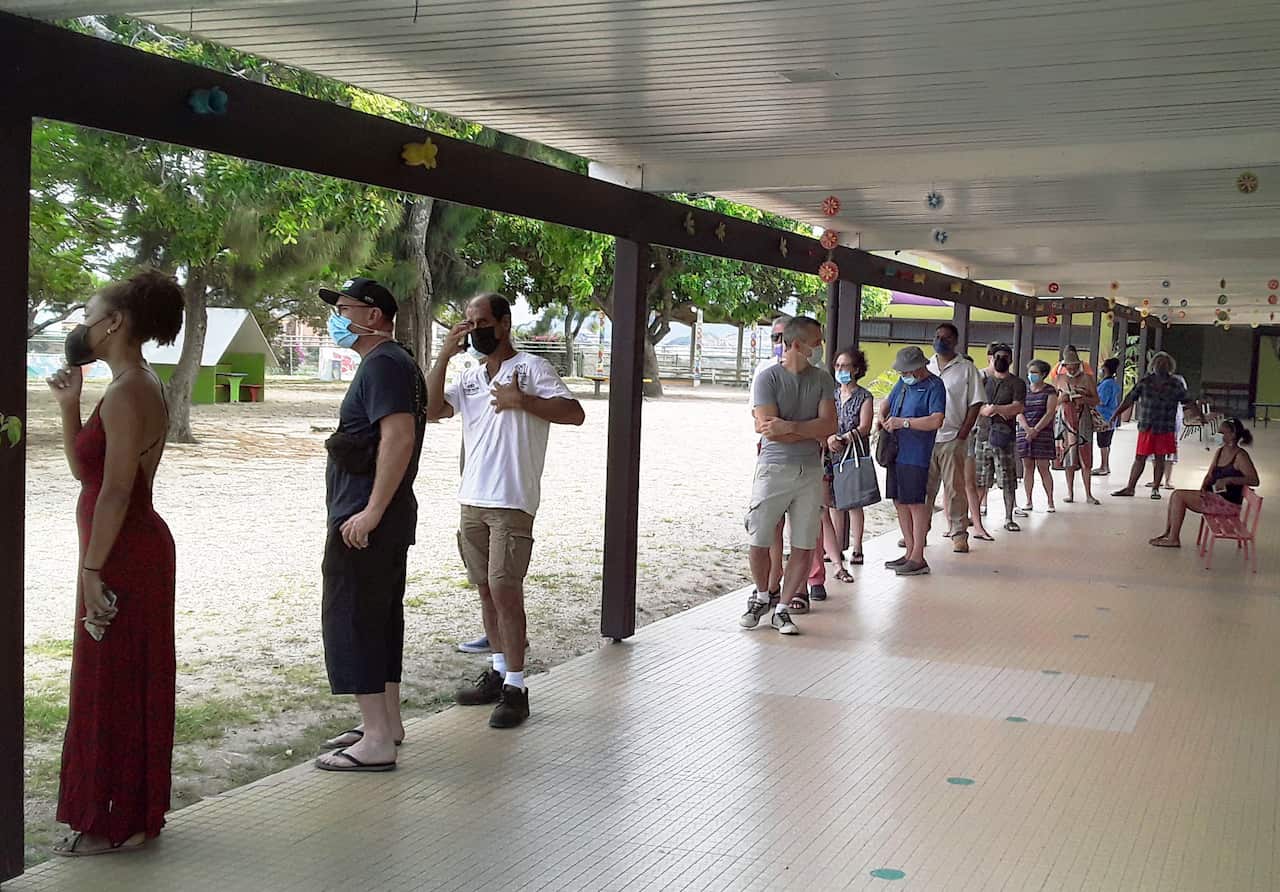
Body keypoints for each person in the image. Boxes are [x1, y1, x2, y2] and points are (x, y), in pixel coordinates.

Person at [45, 270, 183, 855]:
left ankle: (110, 820)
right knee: (114, 678)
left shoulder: (132, 389)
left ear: (115, 323)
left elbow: (118, 491)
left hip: (124, 553)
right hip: (116, 549)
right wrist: (70, 407)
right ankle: (122, 810)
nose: (83, 323)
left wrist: (92, 571)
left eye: (89, 311)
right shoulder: (125, 382)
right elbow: (90, 472)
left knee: (113, 684)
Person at [428, 294, 585, 728]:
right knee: (484, 589)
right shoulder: (470, 375)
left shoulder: (531, 369)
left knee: (505, 590)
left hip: (512, 500)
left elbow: (575, 413)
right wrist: (444, 354)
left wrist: (524, 402)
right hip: (472, 498)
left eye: (481, 321)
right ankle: (498, 672)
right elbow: (430, 408)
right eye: (467, 322)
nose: (474, 328)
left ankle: (517, 687)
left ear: (504, 323)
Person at [315, 278, 427, 772]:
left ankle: (377, 739)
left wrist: (372, 511)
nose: (337, 318)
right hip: (377, 513)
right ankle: (386, 723)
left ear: (375, 315)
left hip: (365, 518)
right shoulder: (393, 363)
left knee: (354, 619)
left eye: (344, 308)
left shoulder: (383, 364)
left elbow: (398, 437)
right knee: (380, 618)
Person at [741, 316, 836, 630]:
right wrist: (809, 431)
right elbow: (768, 429)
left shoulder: (822, 379)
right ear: (797, 344)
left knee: (804, 543)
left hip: (810, 469)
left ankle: (783, 606)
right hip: (772, 467)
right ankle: (762, 593)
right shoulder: (767, 378)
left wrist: (791, 427)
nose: (820, 347)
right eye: (816, 342)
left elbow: (830, 426)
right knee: (760, 538)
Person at [879, 346, 947, 576]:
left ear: (920, 367)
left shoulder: (934, 386)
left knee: (915, 503)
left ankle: (918, 555)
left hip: (916, 453)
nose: (905, 375)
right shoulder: (902, 382)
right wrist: (883, 417)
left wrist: (904, 423)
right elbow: (888, 402)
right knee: (899, 500)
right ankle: (908, 550)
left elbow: (936, 420)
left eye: (908, 371)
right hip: (896, 450)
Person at [1150, 418, 1258, 547]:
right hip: (1214, 497)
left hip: (1227, 504)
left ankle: (1173, 538)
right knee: (1175, 495)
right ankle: (1169, 533)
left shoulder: (1240, 456)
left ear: (1232, 435)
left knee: (1178, 496)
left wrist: (1230, 480)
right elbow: (1209, 474)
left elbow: (1254, 480)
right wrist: (1203, 487)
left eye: (1222, 433)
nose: (1218, 436)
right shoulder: (1220, 451)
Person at [925, 324, 985, 554]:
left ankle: (959, 533)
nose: (941, 340)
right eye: (938, 336)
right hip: (927, 437)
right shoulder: (926, 366)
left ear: (955, 341)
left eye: (946, 338)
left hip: (953, 437)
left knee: (955, 488)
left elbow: (976, 402)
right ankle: (920, 532)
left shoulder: (967, 369)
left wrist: (963, 433)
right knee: (925, 488)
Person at [1111, 352, 1190, 501]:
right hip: (1147, 427)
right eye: (1158, 363)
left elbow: (1188, 401)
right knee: (1139, 458)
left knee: (1160, 458)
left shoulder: (1175, 384)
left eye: (1164, 364)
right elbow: (1130, 398)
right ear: (1153, 365)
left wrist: (1200, 416)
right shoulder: (1145, 382)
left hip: (1165, 428)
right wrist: (1116, 414)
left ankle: (1155, 488)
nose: (1161, 366)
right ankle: (1130, 487)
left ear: (1169, 366)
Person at [751, 315, 792, 600]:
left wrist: (790, 428)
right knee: (769, 522)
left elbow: (822, 423)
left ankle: (798, 584)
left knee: (805, 526)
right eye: (774, 338)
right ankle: (770, 583)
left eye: (784, 337)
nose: (779, 343)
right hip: (771, 456)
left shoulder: (813, 373)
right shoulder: (763, 371)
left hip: (806, 461)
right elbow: (759, 420)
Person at [825, 347, 875, 577]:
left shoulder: (865, 396)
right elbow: (824, 421)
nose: (840, 370)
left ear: (856, 369)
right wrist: (829, 438)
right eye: (837, 366)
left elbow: (865, 426)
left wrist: (845, 438)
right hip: (831, 453)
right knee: (834, 502)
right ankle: (835, 548)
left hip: (854, 452)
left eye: (845, 366)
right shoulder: (831, 395)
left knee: (854, 502)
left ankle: (857, 547)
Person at [973, 343, 1026, 534]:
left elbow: (1018, 407)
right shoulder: (983, 380)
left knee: (1008, 478)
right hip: (983, 433)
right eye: (997, 357)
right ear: (991, 359)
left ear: (1010, 360)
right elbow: (975, 404)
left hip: (1004, 436)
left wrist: (996, 409)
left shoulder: (1017, 383)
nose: (1000, 360)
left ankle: (1009, 517)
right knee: (980, 478)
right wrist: (987, 410)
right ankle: (976, 515)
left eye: (1004, 357)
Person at [1055, 347, 1101, 505]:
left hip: (1083, 420)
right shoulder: (1059, 379)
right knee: (1069, 456)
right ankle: (1070, 492)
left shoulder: (1087, 379)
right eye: (1069, 366)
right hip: (1066, 420)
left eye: (1074, 365)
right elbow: (1055, 401)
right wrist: (1063, 398)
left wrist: (1084, 400)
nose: (1072, 368)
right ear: (1064, 366)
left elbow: (1096, 400)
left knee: (1086, 455)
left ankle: (1088, 493)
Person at [1017, 359, 1059, 514]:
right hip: (1024, 432)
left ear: (1043, 375)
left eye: (1035, 372)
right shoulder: (1024, 391)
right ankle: (1028, 500)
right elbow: (1019, 411)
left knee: (1043, 467)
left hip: (1043, 434)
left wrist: (1036, 429)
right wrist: (1027, 429)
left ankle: (1050, 500)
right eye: (1030, 372)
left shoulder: (1050, 391)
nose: (1031, 375)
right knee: (1028, 467)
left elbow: (1050, 413)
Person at [1150, 372, 1190, 492]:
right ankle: (1157, 479)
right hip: (1155, 419)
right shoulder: (1151, 379)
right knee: (1154, 449)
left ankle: (1168, 479)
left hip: (1172, 419)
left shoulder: (1178, 380)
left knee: (1170, 448)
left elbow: (1185, 399)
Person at [1092, 358, 1121, 476]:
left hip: (1103, 417)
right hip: (1110, 416)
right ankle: (1105, 465)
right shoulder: (1112, 383)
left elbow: (1102, 401)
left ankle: (1103, 466)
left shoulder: (1106, 385)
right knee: (1106, 442)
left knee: (1103, 442)